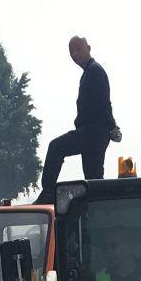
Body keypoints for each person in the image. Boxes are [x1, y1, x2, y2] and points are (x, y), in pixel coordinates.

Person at [34, 36, 120, 203]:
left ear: (88, 47)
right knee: (93, 180)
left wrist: (112, 126)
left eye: (78, 49)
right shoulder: (90, 72)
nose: (74, 53)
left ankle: (48, 193)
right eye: (71, 51)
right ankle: (98, 208)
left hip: (92, 132)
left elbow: (104, 102)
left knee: (56, 147)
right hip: (96, 133)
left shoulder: (95, 71)